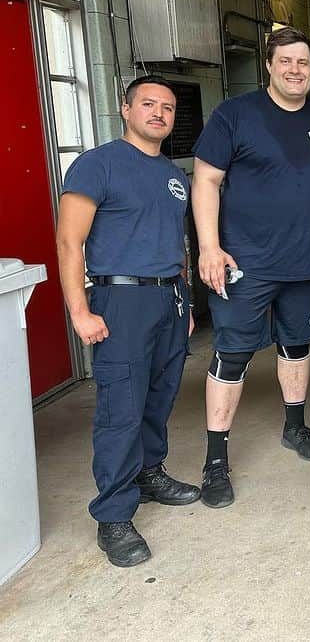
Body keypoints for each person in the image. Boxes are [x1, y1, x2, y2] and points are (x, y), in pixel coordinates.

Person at [192, 27, 310, 508]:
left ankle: (294, 427)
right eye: (286, 62)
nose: (295, 70)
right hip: (245, 262)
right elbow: (205, 181)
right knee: (232, 354)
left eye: (303, 62)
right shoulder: (235, 115)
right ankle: (216, 460)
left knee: (296, 345)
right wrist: (209, 248)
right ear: (270, 67)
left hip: (302, 261)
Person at [56, 76, 200, 567]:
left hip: (169, 300)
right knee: (121, 408)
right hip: (119, 301)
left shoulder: (172, 175)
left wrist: (185, 303)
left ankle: (150, 473)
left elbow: (177, 244)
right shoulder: (97, 165)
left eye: (167, 107)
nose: (158, 113)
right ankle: (113, 515)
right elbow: (69, 243)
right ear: (125, 109)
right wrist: (80, 310)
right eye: (148, 104)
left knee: (159, 397)